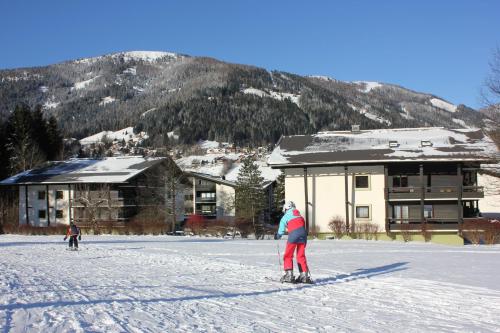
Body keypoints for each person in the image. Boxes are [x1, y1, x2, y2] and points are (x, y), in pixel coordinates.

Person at [275, 201, 312, 283]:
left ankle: (289, 275)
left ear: (286, 209)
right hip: (303, 236)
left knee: (288, 255)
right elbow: (303, 227)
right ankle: (304, 276)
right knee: (301, 255)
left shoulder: (286, 216)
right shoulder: (300, 216)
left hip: (294, 235)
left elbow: (281, 228)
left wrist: (278, 235)